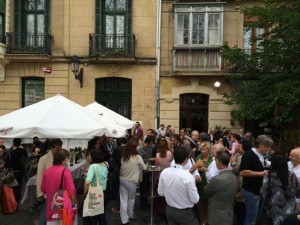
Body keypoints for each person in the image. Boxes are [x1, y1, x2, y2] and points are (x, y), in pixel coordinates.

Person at [157, 146, 199, 225]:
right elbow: (195, 199)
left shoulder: (164, 172)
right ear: (186, 160)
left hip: (169, 210)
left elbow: (160, 192)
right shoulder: (188, 176)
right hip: (184, 212)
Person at [239, 135, 273, 225]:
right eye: (267, 146)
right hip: (251, 190)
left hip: (259, 190)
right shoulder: (249, 154)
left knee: (256, 216)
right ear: (261, 145)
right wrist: (261, 173)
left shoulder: (261, 155)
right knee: (251, 218)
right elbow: (242, 172)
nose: (269, 149)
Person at [260, 154, 300, 225]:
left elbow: (263, 192)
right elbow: (298, 190)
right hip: (291, 207)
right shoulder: (292, 175)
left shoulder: (269, 176)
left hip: (274, 208)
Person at [41, 149, 76, 225]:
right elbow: (71, 190)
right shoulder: (65, 171)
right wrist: (74, 202)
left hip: (51, 207)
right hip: (63, 208)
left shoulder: (47, 171)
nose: (67, 160)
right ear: (63, 159)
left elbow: (43, 189)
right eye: (67, 158)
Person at [204, 151, 237, 225]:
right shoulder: (233, 176)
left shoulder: (216, 179)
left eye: (216, 161)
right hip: (228, 212)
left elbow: (206, 190)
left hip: (217, 215)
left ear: (219, 162)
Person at [37, 138, 63, 225]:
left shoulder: (61, 158)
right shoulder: (43, 159)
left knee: (55, 214)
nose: (59, 151)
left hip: (58, 192)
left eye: (60, 149)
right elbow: (40, 176)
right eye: (57, 149)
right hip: (47, 192)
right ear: (51, 148)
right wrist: (39, 193)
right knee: (45, 213)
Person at [119, 139, 146, 225]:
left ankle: (124, 220)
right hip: (132, 181)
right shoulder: (138, 157)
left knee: (123, 200)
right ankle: (130, 215)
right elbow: (144, 167)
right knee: (131, 199)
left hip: (122, 179)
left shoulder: (123, 157)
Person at [84, 149, 109, 225]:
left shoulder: (93, 166)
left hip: (95, 193)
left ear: (93, 156)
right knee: (101, 214)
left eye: (89, 155)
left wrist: (85, 192)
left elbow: (88, 182)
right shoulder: (106, 164)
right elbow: (100, 172)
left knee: (93, 215)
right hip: (104, 192)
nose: (88, 157)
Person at [195, 142, 213, 225]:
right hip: (200, 182)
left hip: (208, 182)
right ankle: (202, 220)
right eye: (201, 149)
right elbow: (194, 169)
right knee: (200, 203)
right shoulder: (198, 157)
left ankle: (207, 220)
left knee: (208, 203)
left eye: (204, 149)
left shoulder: (212, 159)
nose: (202, 151)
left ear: (208, 150)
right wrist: (199, 169)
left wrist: (206, 169)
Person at [6, 138, 28, 204]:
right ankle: (17, 201)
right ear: (20, 143)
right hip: (21, 171)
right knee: (19, 186)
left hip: (13, 172)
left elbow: (7, 164)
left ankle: (14, 202)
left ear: (13, 143)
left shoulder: (11, 152)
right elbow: (26, 160)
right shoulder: (23, 151)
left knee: (13, 187)